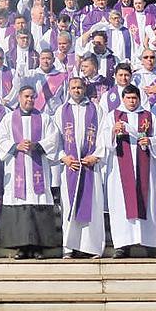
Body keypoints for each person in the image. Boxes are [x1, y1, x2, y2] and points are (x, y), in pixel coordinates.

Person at [0, 86, 60, 259]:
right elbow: (0, 138)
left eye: (32, 97)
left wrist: (36, 145)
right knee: (19, 203)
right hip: (16, 169)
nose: (29, 99)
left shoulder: (44, 118)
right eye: (26, 96)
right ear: (19, 97)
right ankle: (21, 247)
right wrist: (16, 146)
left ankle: (38, 247)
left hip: (38, 169)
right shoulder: (9, 118)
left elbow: (53, 139)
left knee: (38, 201)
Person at [102, 84, 156, 257]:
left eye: (134, 98)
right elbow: (104, 141)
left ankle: (150, 245)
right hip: (120, 167)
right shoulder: (113, 116)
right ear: (123, 99)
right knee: (121, 205)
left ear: (139, 99)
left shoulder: (148, 116)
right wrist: (113, 132)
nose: (131, 101)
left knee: (148, 203)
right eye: (128, 98)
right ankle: (123, 245)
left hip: (144, 166)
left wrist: (150, 141)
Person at [55, 77, 106, 258]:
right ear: (68, 90)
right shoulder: (61, 111)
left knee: (92, 207)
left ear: (85, 88)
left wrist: (96, 155)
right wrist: (63, 157)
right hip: (71, 167)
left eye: (79, 87)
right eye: (73, 87)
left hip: (90, 166)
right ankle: (69, 247)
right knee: (69, 207)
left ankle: (91, 247)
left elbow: (103, 134)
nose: (76, 90)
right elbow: (56, 138)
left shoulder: (96, 109)